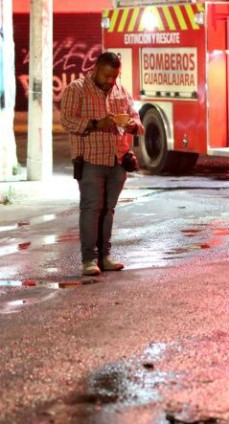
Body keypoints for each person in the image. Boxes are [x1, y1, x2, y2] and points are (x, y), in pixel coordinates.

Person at [60, 52, 144, 276]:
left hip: (118, 160)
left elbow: (137, 118)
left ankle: (105, 257)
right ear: (96, 68)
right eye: (107, 76)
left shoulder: (121, 90)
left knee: (108, 210)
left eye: (114, 77)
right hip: (90, 160)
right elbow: (67, 121)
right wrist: (96, 123)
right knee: (91, 209)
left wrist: (132, 125)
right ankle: (89, 259)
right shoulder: (77, 89)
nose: (110, 81)